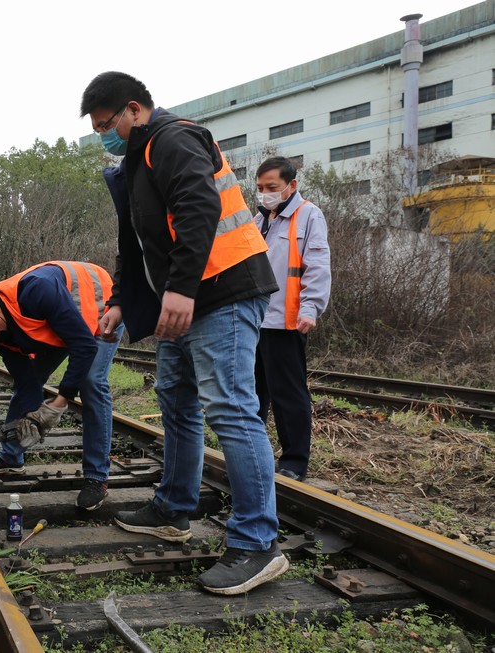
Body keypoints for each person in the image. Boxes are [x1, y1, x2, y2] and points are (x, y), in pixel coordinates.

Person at [81, 71, 288, 594]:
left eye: (108, 124)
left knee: (230, 408)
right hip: (190, 294)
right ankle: (175, 507)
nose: (106, 134)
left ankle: (257, 542)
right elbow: (136, 244)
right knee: (176, 396)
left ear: (133, 109)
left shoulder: (173, 138)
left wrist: (182, 287)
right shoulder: (136, 160)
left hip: (223, 287)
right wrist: (122, 301)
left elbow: (200, 207)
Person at [0, 261, 123, 511]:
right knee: (27, 382)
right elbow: (27, 381)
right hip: (60, 323)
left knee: (92, 383)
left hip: (101, 307)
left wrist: (59, 403)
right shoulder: (1, 330)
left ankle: (96, 478)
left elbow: (84, 345)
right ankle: (10, 456)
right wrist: (28, 419)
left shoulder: (39, 290)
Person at [253, 157, 331, 482]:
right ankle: (252, 455)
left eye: (272, 187)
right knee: (252, 393)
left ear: (291, 185)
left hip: (287, 321)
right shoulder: (257, 220)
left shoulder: (309, 215)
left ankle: (294, 461)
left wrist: (311, 308)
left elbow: (317, 264)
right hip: (252, 320)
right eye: (260, 188)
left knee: (288, 394)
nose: (265, 194)